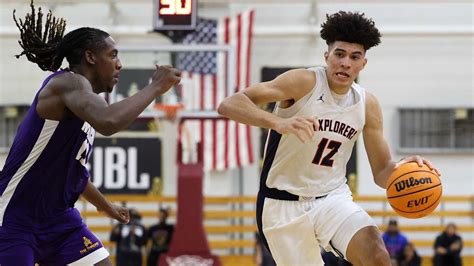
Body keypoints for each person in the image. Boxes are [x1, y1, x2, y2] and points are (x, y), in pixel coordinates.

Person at [218, 11, 441, 266]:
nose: (346, 62)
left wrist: (405, 170)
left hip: (332, 198)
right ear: (327, 56)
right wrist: (279, 122)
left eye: (354, 57)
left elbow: (382, 171)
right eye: (339, 54)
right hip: (282, 204)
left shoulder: (367, 104)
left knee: (377, 255)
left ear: (363, 64)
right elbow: (230, 104)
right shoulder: (303, 82)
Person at [0, 2, 181, 265]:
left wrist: (106, 206)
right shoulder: (67, 84)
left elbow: (74, 173)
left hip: (59, 220)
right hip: (15, 215)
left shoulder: (84, 104)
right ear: (90, 57)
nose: (119, 64)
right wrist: (154, 87)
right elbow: (109, 122)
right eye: (112, 55)